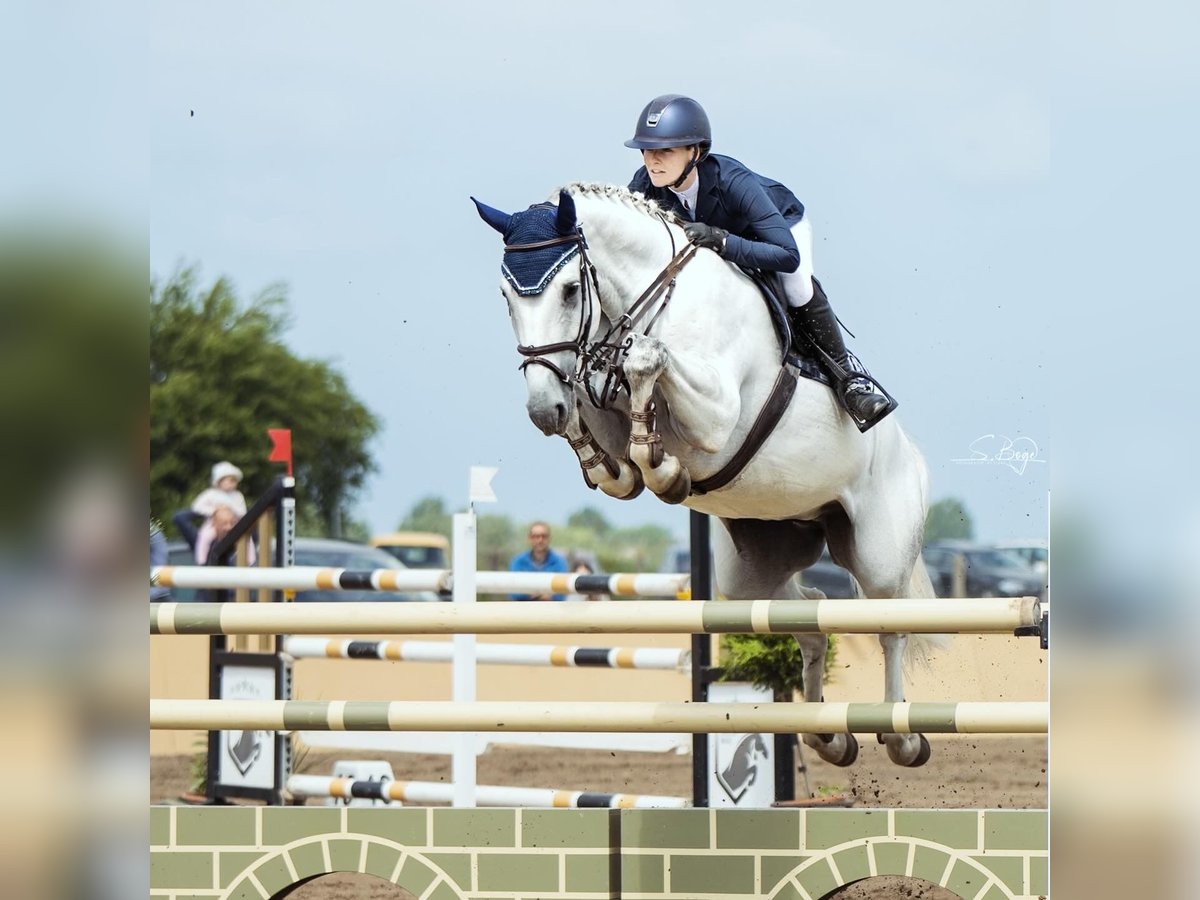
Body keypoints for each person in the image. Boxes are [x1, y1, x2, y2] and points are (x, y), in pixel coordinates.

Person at [624, 93, 891, 427]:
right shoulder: (644, 186)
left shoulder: (733, 182)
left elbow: (786, 255)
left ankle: (849, 380)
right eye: (647, 150)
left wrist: (722, 241)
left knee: (796, 287)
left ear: (695, 152)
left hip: (779, 230)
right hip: (722, 239)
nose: (653, 161)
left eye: (665, 151)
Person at [508, 521, 569, 601]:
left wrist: (529, 591)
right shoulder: (518, 562)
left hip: (550, 610)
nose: (540, 540)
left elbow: (562, 594)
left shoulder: (559, 563)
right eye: (536, 536)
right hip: (524, 610)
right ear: (529, 539)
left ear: (549, 538)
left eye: (544, 536)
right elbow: (514, 592)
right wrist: (542, 594)